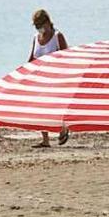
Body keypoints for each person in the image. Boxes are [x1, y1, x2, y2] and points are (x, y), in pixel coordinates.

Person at [28, 9, 70, 148]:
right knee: (40, 108)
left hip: (57, 79)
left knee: (56, 107)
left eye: (39, 25)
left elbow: (68, 57)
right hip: (40, 79)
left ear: (47, 22)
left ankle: (63, 128)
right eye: (36, 26)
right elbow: (32, 59)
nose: (38, 28)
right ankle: (45, 139)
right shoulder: (36, 38)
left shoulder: (57, 36)